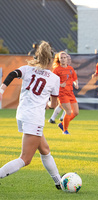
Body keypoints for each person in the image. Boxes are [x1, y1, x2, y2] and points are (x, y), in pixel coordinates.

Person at [0, 41, 62, 189]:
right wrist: (46, 104)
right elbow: (53, 105)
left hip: (22, 114)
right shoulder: (54, 78)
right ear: (51, 60)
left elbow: (12, 74)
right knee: (25, 159)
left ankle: (59, 182)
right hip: (34, 118)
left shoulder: (27, 69)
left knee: (45, 150)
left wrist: (1, 90)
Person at [53, 51, 79, 134]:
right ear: (59, 59)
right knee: (68, 111)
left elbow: (75, 78)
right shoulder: (56, 70)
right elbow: (52, 82)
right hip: (62, 94)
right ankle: (65, 130)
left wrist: (76, 84)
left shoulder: (70, 68)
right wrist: (60, 84)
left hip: (70, 93)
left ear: (67, 59)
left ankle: (62, 124)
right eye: (61, 58)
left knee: (75, 112)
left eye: (65, 58)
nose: (63, 59)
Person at [48, 54, 73, 124]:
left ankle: (54, 118)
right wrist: (60, 84)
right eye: (65, 58)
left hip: (68, 90)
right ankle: (60, 118)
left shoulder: (70, 69)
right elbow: (53, 80)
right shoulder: (58, 69)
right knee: (65, 105)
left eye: (69, 59)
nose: (69, 60)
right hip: (61, 90)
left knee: (63, 105)